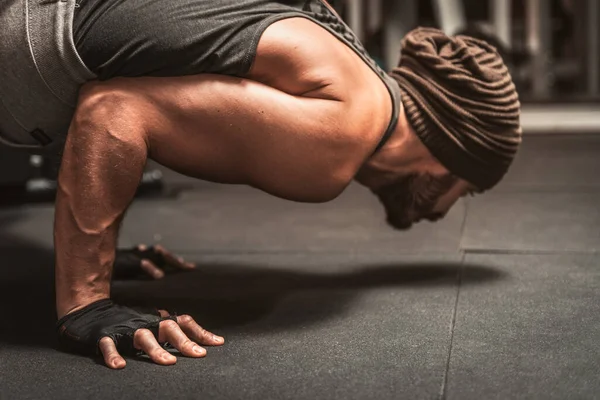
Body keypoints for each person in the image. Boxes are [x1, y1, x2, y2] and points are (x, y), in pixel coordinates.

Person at [0, 0, 521, 369]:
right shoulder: (348, 128)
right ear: (450, 158)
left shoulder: (349, 63)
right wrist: (89, 299)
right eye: (466, 192)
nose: (444, 211)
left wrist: (99, 247)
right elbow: (113, 112)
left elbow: (154, 64)